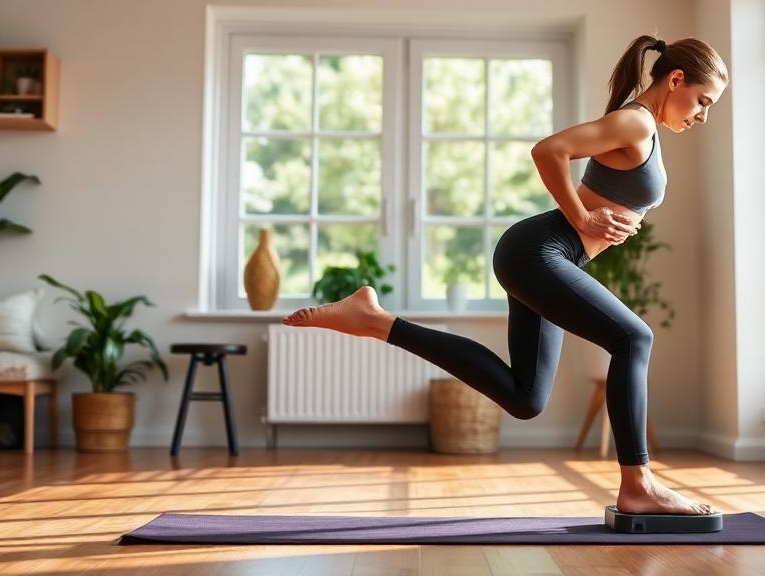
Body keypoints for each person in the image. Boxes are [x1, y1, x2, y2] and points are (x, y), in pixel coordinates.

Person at [283, 35, 729, 516]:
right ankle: (638, 484)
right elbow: (548, 150)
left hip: (550, 258)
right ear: (676, 79)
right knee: (634, 339)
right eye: (702, 101)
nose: (703, 115)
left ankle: (376, 321)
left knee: (525, 397)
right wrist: (582, 219)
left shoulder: (646, 129)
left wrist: (600, 220)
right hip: (540, 252)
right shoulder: (635, 121)